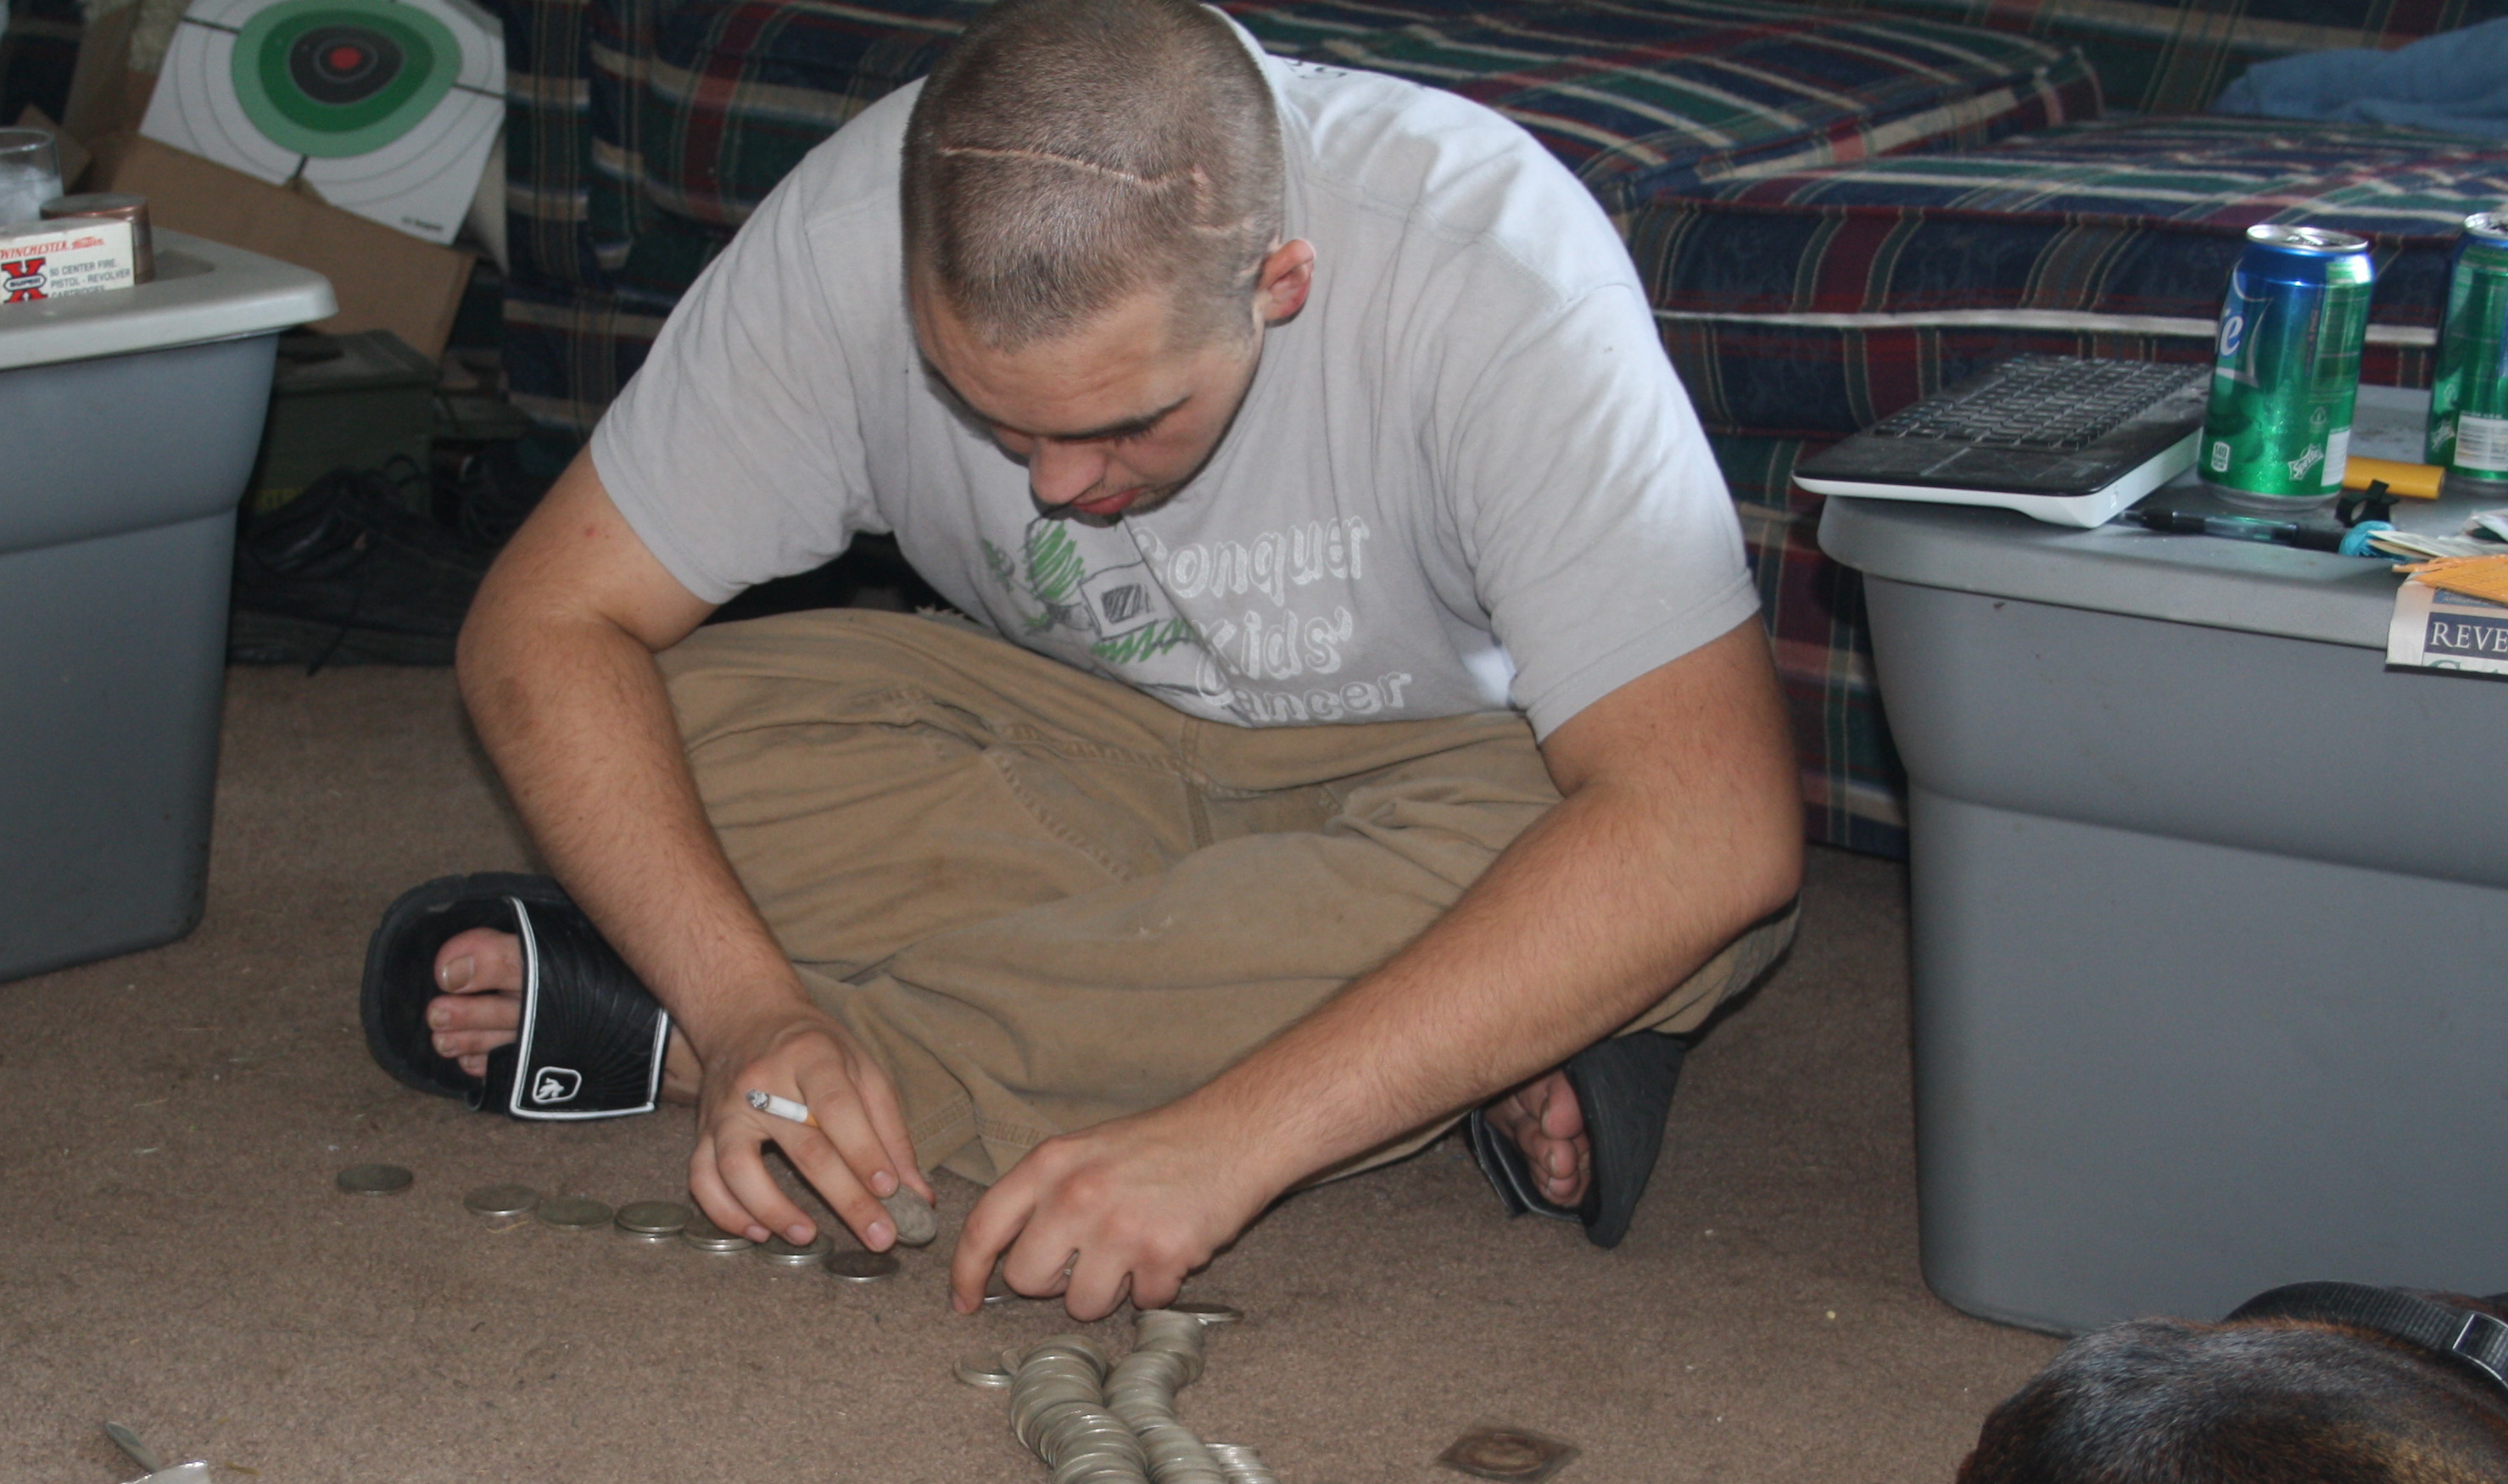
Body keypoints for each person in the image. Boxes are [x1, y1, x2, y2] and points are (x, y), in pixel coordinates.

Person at [373, 0, 1801, 1320]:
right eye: (989, 416)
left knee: (1661, 869)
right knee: (662, 736)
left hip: (1456, 778)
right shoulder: (843, 239)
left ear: (1281, 283)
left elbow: (1712, 824)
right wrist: (750, 1001)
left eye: (1126, 423)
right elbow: (542, 625)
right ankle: (1482, 1013)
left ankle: (797, 1055)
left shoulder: (1493, 270)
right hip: (1075, 738)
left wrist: (1232, 1145)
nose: (1057, 486)